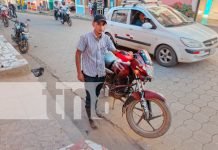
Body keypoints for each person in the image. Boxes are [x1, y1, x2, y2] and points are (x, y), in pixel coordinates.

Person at [75, 15, 117, 129]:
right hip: (89, 74)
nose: (101, 27)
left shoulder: (106, 38)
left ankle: (94, 108)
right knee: (90, 97)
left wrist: (128, 55)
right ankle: (91, 118)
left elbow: (115, 51)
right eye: (98, 24)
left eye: (103, 24)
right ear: (93, 24)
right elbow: (78, 54)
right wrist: (79, 72)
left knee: (97, 94)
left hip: (101, 74)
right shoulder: (85, 38)